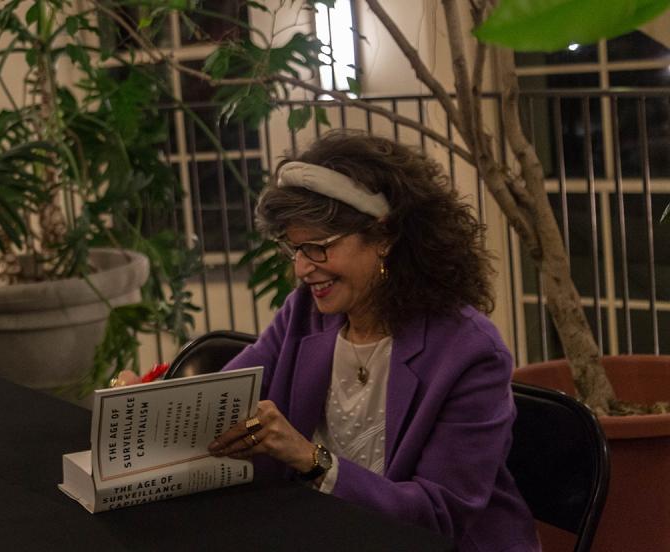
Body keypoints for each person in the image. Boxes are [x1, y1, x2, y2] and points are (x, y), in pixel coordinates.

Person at [208, 131, 539, 551]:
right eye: (294, 250)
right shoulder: (304, 314)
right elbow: (225, 395)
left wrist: (312, 460)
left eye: (318, 248)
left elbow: (438, 515)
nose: (302, 269)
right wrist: (147, 404)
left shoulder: (469, 352)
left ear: (384, 237)